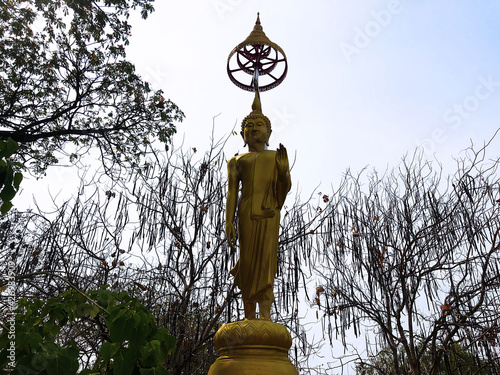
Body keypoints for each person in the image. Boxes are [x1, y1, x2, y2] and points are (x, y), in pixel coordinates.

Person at [225, 95, 291, 320]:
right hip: (246, 215)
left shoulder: (276, 157)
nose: (253, 129)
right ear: (242, 134)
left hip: (269, 213)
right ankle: (248, 317)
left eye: (259, 125)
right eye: (248, 126)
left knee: (265, 263)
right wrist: (228, 221)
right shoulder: (236, 161)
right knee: (248, 263)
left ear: (269, 134)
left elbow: (283, 191)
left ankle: (264, 317)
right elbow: (232, 192)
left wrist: (283, 173)